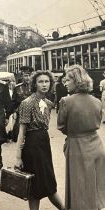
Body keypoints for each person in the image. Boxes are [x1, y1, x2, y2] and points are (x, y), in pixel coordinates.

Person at [15, 70, 65, 210]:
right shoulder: (27, 103)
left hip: (44, 143)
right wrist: (18, 157)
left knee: (47, 180)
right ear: (34, 84)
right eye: (40, 82)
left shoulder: (48, 103)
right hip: (32, 145)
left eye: (47, 81)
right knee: (35, 185)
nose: (44, 84)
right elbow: (22, 131)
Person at [57, 64, 105, 210]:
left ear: (77, 81)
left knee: (79, 185)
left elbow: (61, 126)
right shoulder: (97, 101)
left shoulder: (66, 101)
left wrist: (73, 132)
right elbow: (98, 121)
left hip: (77, 146)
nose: (65, 83)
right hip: (96, 145)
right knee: (96, 184)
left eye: (68, 80)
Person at [11, 66, 33, 142]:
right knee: (19, 136)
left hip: (33, 115)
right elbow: (14, 102)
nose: (28, 78)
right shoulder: (17, 88)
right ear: (22, 76)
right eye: (25, 75)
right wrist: (14, 112)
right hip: (21, 114)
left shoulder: (35, 87)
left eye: (29, 75)